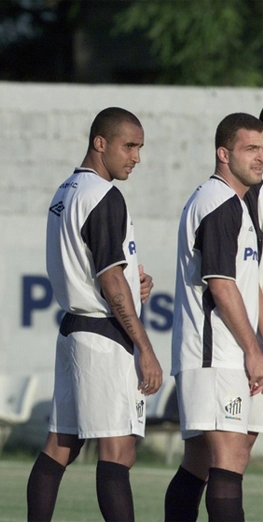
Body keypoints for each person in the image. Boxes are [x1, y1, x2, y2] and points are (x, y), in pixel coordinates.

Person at [26, 107, 163, 522]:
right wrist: (145, 346)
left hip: (73, 329)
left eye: (140, 147)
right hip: (103, 337)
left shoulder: (66, 190)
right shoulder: (104, 195)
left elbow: (102, 271)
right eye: (129, 146)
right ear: (99, 143)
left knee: (61, 444)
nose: (136, 157)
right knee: (118, 451)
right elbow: (109, 280)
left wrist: (131, 288)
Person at [164, 112, 263, 522]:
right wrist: (252, 349)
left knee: (205, 462)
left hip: (230, 353)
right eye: (251, 149)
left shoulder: (238, 204)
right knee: (226, 461)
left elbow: (249, 282)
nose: (261, 158)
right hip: (215, 353)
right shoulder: (218, 202)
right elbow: (221, 285)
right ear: (224, 153)